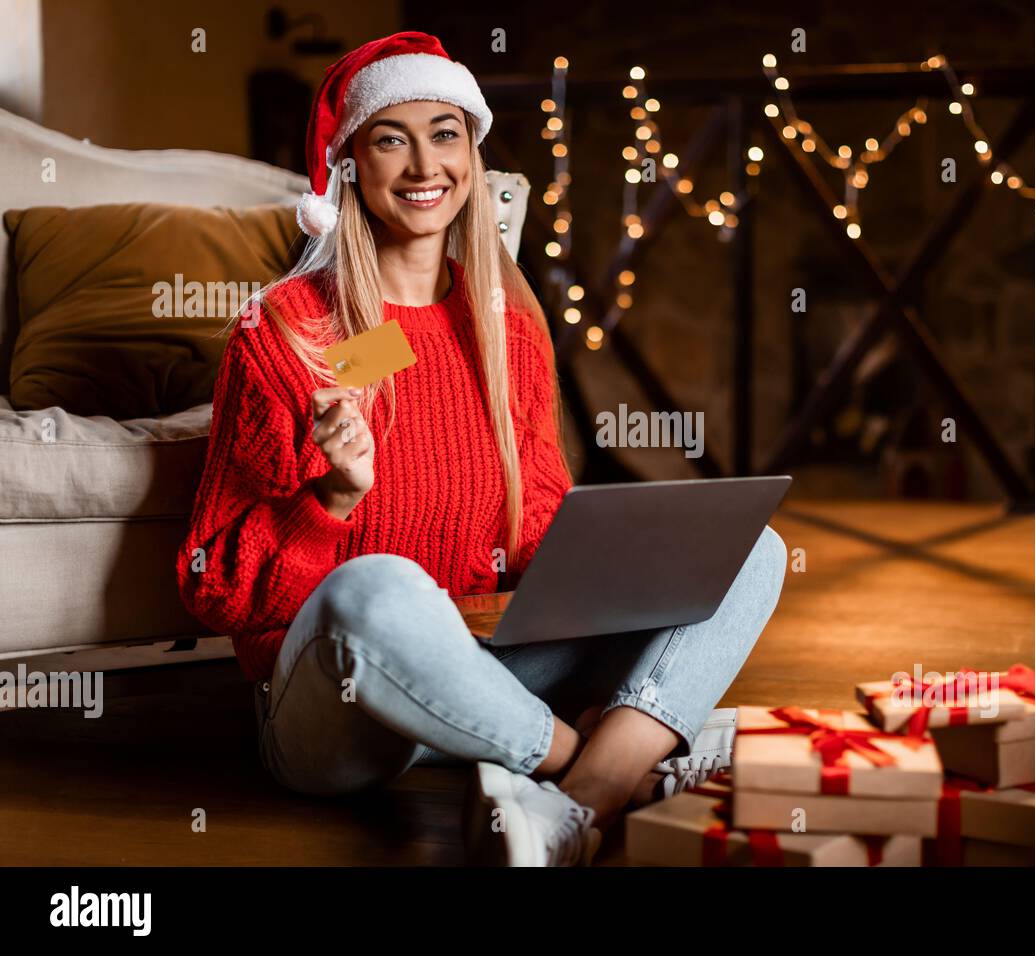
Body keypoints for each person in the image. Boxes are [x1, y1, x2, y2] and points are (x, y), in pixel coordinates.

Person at [176, 32, 787, 866]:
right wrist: (330, 504)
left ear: (472, 151)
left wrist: (612, 565)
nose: (425, 164)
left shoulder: (503, 327)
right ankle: (611, 765)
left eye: (446, 132)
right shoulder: (290, 334)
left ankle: (570, 796)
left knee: (749, 548)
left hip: (488, 679)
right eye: (392, 137)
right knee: (381, 588)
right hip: (344, 722)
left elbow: (533, 521)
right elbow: (214, 588)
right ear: (351, 163)